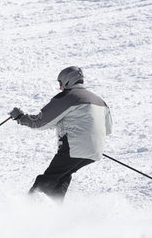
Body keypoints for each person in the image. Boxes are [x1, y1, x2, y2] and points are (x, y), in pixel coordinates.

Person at [9, 66, 113, 202]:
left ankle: (25, 210)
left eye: (60, 83)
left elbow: (41, 121)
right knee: (62, 177)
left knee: (46, 180)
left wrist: (21, 118)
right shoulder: (100, 101)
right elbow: (108, 129)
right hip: (95, 151)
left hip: (74, 148)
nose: (60, 88)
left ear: (68, 81)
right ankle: (57, 213)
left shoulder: (69, 97)